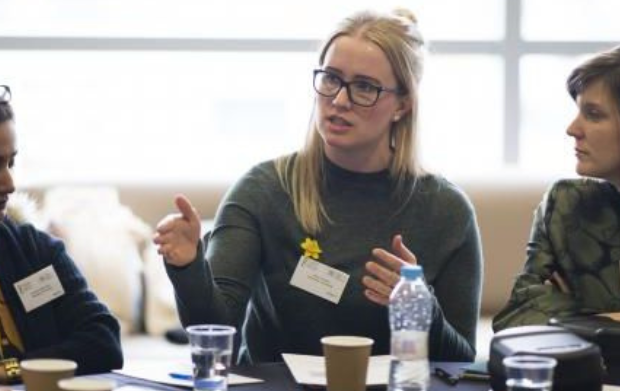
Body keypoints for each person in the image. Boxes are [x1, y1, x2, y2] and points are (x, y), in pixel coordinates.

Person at [154, 9, 482, 363]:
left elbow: (462, 364)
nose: (339, 100)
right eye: (331, 79)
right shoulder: (263, 190)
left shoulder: (446, 210)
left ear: (402, 104)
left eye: (364, 87)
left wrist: (421, 312)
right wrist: (189, 267)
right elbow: (216, 330)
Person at [0, 84, 123, 384]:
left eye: (11, 163)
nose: (8, 183)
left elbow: (103, 342)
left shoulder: (33, 249)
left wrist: (7, 371)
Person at [494, 46, 620, 330]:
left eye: (594, 114)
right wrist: (605, 317)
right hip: (579, 375)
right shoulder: (567, 204)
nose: (573, 128)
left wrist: (568, 308)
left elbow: (541, 315)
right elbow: (514, 320)